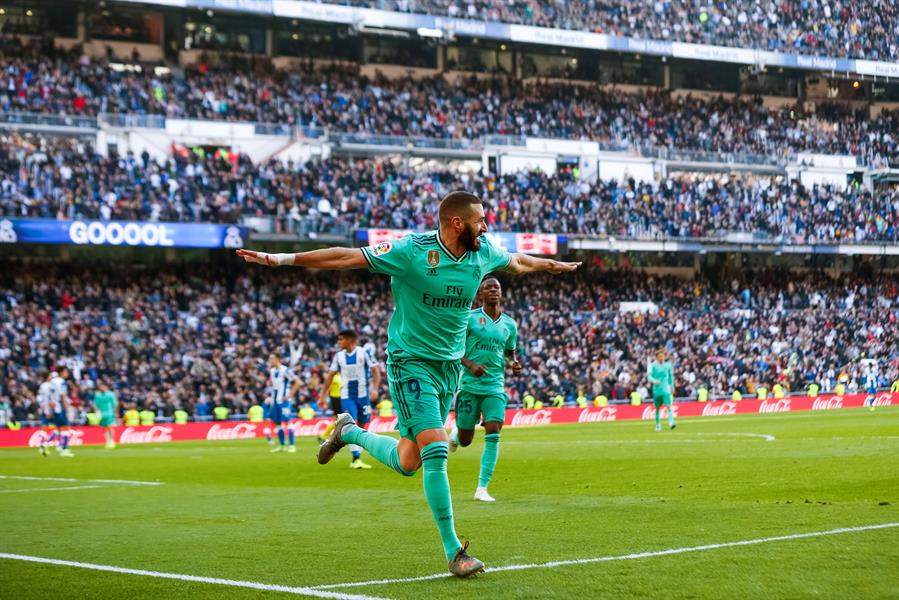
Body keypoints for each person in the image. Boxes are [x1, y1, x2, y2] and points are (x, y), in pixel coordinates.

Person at [237, 190, 579, 577]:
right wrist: (280, 258)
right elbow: (347, 256)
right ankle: (455, 552)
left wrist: (550, 265)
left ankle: (349, 432)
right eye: (479, 220)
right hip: (409, 362)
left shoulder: (482, 253)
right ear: (456, 223)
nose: (485, 226)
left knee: (407, 460)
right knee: (436, 449)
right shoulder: (411, 251)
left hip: (449, 369)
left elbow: (516, 261)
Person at [449, 276, 520, 503]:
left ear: (501, 292)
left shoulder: (510, 324)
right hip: (469, 386)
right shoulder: (469, 319)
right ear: (480, 293)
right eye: (488, 287)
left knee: (493, 429)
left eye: (496, 287)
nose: (492, 290)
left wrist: (513, 365)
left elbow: (509, 355)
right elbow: (454, 350)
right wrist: (471, 365)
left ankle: (482, 488)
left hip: (495, 387)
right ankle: (456, 436)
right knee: (466, 438)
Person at [319, 329, 381, 470]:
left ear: (350, 340)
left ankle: (356, 457)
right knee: (350, 424)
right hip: (347, 395)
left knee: (362, 426)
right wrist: (323, 395)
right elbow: (329, 375)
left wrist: (375, 389)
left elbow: (375, 370)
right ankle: (356, 458)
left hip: (363, 395)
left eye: (341, 339)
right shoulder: (338, 356)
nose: (339, 342)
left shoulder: (364, 353)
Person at [266, 353, 301, 453]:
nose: (270, 361)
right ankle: (282, 445)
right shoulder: (272, 371)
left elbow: (298, 382)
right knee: (277, 422)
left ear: (277, 359)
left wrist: (290, 395)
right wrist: (271, 398)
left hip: (284, 401)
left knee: (287, 421)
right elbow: (274, 386)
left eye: (271, 359)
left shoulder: (285, 370)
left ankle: (292, 445)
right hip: (275, 401)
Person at [648, 349, 676, 431]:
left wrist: (672, 387)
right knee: (657, 408)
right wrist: (654, 381)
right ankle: (658, 424)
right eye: (660, 356)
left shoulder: (668, 365)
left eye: (663, 356)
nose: (661, 358)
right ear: (656, 357)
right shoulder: (652, 366)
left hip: (666, 389)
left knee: (668, 406)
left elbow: (671, 377)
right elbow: (649, 377)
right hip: (657, 390)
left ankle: (671, 422)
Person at [93, 380, 118, 449]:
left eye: (103, 386)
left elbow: (115, 404)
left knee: (110, 426)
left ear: (106, 387)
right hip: (102, 414)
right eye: (101, 387)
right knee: (104, 428)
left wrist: (115, 412)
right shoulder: (98, 395)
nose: (102, 388)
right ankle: (107, 441)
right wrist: (96, 412)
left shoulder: (110, 394)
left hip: (109, 413)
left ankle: (112, 440)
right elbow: (95, 404)